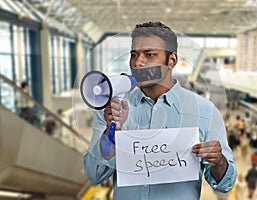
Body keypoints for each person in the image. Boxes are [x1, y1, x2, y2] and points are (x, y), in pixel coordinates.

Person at [83, 21, 236, 200]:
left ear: (171, 60)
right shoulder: (112, 110)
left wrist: (219, 162)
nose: (138, 63)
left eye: (149, 55)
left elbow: (226, 184)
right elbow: (94, 174)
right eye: (134, 55)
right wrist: (112, 132)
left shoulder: (205, 112)